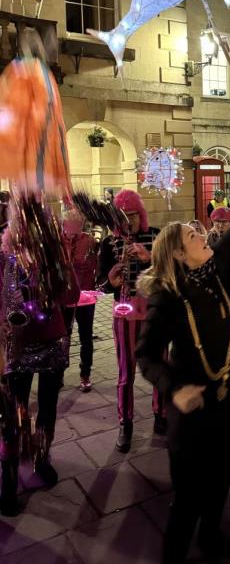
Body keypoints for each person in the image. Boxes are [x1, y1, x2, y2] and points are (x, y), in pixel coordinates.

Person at [136, 156, 230, 564]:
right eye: (193, 234)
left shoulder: (215, 270)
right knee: (189, 496)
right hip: (192, 410)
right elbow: (146, 355)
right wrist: (173, 388)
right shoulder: (168, 297)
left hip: (228, 395)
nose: (202, 232)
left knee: (225, 474)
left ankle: (211, 535)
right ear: (178, 253)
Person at [0, 218, 80, 515]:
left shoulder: (52, 257)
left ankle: (41, 458)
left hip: (50, 340)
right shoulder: (4, 256)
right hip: (16, 346)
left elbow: (71, 296)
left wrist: (63, 261)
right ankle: (8, 478)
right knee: (11, 415)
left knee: (47, 408)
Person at [97, 189, 166, 452]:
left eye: (133, 215)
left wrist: (150, 260)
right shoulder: (107, 243)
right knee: (126, 372)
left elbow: (170, 273)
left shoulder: (156, 236)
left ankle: (161, 415)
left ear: (141, 214)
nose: (129, 221)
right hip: (124, 314)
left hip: (155, 313)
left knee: (160, 365)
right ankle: (125, 423)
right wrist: (110, 281)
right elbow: (101, 283)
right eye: (124, 217)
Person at [61, 207, 99, 392]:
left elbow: (97, 267)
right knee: (63, 337)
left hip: (85, 296)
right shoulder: (58, 242)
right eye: (71, 222)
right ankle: (58, 373)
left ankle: (85, 374)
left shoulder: (90, 241)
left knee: (86, 337)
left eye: (78, 223)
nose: (75, 226)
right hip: (64, 297)